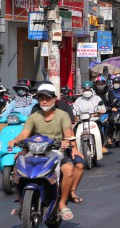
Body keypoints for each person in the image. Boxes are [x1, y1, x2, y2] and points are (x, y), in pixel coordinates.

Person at [8, 83, 85, 219]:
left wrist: (68, 141)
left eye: (47, 98)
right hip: (35, 149)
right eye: (41, 98)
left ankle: (62, 204)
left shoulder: (62, 115)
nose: (44, 101)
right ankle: (22, 201)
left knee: (68, 169)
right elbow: (25, 133)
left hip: (56, 150)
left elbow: (68, 131)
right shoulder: (34, 116)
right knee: (18, 165)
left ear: (54, 99)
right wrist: (15, 140)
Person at [73, 81, 108, 154]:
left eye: (88, 90)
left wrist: (99, 111)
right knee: (74, 131)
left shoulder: (97, 98)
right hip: (82, 121)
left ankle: (101, 146)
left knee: (99, 130)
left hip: (94, 120)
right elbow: (74, 110)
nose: (87, 92)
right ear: (82, 91)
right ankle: (74, 148)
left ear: (92, 90)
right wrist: (74, 115)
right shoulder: (78, 100)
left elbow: (102, 108)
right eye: (85, 90)